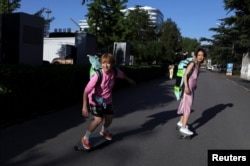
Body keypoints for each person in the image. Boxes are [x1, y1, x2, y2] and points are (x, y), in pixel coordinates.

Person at [81, 53, 136, 149]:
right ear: (101, 63)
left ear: (112, 64)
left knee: (109, 118)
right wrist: (84, 106)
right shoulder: (97, 75)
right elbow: (86, 91)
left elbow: (122, 75)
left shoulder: (114, 71)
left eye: (108, 63)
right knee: (98, 119)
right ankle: (85, 138)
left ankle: (103, 131)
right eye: (103, 63)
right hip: (95, 99)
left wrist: (129, 79)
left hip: (107, 100)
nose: (105, 65)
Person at [176, 48, 206, 135]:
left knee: (185, 105)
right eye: (199, 55)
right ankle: (183, 127)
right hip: (188, 88)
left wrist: (195, 85)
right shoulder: (193, 63)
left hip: (191, 88)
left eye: (202, 55)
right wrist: (186, 86)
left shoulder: (198, 65)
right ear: (196, 55)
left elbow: (194, 77)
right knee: (188, 107)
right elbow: (185, 75)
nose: (200, 57)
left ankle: (181, 122)